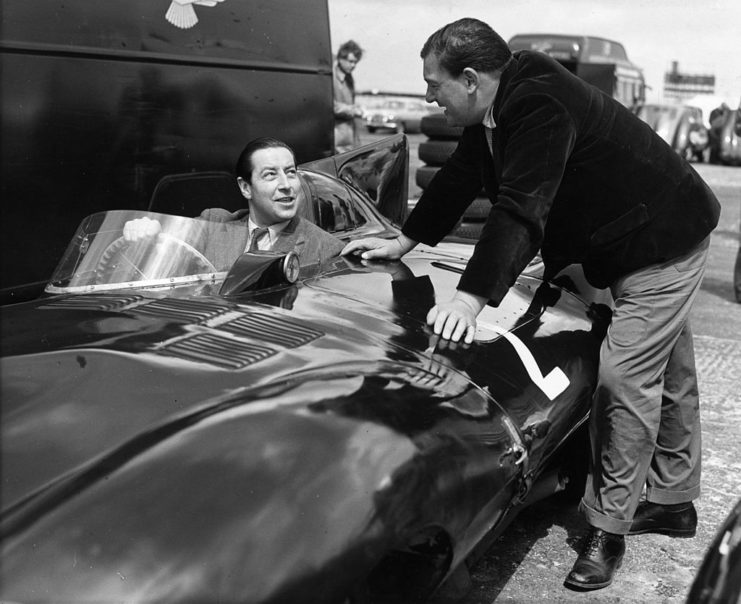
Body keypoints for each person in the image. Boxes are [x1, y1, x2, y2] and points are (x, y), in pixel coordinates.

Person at [342, 17, 720, 590]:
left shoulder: (540, 104)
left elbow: (521, 208)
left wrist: (469, 301)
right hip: (628, 235)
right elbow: (459, 178)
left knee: (624, 378)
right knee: (669, 368)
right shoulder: (497, 104)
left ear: (470, 79)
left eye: (433, 84)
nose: (427, 96)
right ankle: (673, 501)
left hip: (660, 240)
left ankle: (606, 528)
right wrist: (404, 239)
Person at [124, 137, 344, 267]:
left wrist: (378, 253)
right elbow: (168, 248)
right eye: (270, 175)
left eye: (291, 172)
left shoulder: (325, 247)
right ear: (246, 187)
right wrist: (150, 230)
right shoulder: (214, 224)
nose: (286, 184)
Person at [333, 39, 365, 153]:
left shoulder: (349, 78)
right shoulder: (331, 78)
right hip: (337, 138)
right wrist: (353, 110)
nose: (353, 65)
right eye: (351, 61)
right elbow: (330, 105)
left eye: (356, 62)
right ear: (341, 58)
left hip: (349, 137)